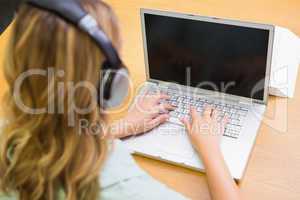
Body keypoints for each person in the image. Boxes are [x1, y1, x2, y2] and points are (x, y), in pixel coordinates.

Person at [0, 0, 240, 199]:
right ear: (111, 84)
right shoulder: (123, 185)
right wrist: (210, 151)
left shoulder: (8, 134)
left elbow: (54, 146)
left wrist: (120, 127)